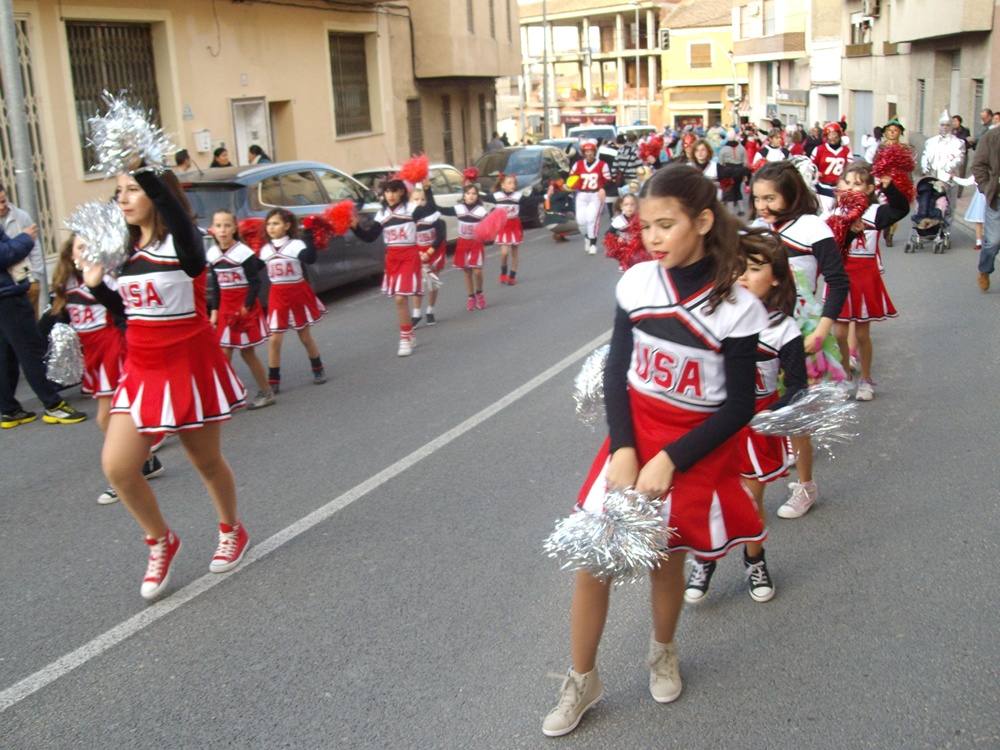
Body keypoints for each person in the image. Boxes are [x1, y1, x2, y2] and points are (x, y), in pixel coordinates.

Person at [541, 164, 772, 737]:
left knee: (667, 559)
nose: (653, 238)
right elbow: (617, 370)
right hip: (635, 434)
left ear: (703, 221)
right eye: (645, 226)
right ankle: (582, 678)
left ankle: (662, 651)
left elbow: (738, 406)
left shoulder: (737, 306)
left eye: (666, 225)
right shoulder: (638, 284)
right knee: (594, 561)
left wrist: (671, 460)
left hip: (691, 446)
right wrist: (624, 447)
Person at [83, 166, 248, 599]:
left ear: (158, 195)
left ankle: (231, 528)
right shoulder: (123, 251)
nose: (122, 198)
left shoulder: (183, 243)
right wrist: (98, 289)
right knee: (118, 467)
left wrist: (150, 175)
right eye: (118, 191)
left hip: (188, 366)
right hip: (142, 370)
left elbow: (186, 240)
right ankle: (160, 540)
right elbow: (128, 315)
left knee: (206, 462)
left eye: (133, 190)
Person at [684, 241, 806, 604]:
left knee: (749, 503)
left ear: (776, 278)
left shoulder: (784, 329)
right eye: (736, 268)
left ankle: (755, 560)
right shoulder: (713, 316)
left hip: (756, 426)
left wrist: (772, 414)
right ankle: (705, 559)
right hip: (715, 424)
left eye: (753, 268)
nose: (743, 277)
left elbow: (797, 386)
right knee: (709, 501)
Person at [750, 161, 849, 518]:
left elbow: (838, 281)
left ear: (790, 195)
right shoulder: (755, 230)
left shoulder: (812, 227)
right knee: (762, 405)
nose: (762, 206)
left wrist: (821, 331)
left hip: (804, 332)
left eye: (770, 198)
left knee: (797, 412)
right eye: (757, 198)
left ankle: (806, 486)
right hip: (762, 332)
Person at [46, 235, 163, 504]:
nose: (85, 251)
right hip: (92, 353)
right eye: (80, 247)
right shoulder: (65, 283)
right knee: (122, 411)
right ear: (70, 254)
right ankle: (147, 460)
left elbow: (123, 313)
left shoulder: (106, 279)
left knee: (106, 417)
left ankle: (125, 472)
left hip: (111, 348)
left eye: (90, 246)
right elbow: (59, 319)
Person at [832, 162, 909, 401]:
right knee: (838, 333)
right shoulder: (833, 213)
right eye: (847, 182)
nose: (851, 188)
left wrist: (890, 188)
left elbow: (901, 209)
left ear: (868, 189)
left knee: (862, 334)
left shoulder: (875, 212)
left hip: (865, 276)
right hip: (841, 277)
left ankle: (865, 379)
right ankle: (845, 375)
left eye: (857, 184)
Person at [0, 221, 86, 429]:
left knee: (5, 355)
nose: (2, 207)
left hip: (6, 294)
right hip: (8, 296)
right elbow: (4, 255)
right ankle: (53, 404)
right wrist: (25, 238)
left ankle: (9, 409)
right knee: (31, 351)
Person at [351, 178, 437, 355]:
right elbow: (369, 237)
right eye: (387, 191)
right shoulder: (382, 214)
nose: (390, 195)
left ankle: (404, 338)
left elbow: (431, 210)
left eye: (394, 191)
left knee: (400, 298)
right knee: (399, 298)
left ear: (402, 192)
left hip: (409, 256)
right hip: (392, 258)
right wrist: (355, 227)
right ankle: (409, 334)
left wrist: (427, 190)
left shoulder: (411, 209)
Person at [206, 210, 274, 409]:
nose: (223, 230)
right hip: (225, 309)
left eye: (227, 225)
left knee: (247, 353)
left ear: (235, 228)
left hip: (243, 308)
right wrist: (214, 311)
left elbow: (255, 282)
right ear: (212, 229)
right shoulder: (212, 254)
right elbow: (217, 285)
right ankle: (227, 397)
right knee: (224, 354)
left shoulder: (243, 253)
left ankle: (266, 392)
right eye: (218, 226)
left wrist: (246, 306)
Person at [258, 208, 327, 385]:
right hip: (277, 295)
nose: (271, 227)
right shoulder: (265, 249)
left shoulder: (295, 245)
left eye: (276, 223)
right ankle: (273, 379)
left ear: (287, 226)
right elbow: (253, 268)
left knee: (304, 336)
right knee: (274, 339)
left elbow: (310, 258)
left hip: (297, 292)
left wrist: (309, 234)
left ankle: (318, 367)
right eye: (268, 224)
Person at [435, 183, 490, 310]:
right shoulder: (459, 208)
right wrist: (429, 198)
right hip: (463, 243)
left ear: (477, 196)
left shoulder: (481, 211)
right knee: (467, 271)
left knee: (477, 271)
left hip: (476, 243)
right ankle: (471, 297)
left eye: (474, 193)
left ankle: (479, 293)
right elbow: (441, 209)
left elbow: (488, 226)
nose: (471, 196)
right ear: (464, 195)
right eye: (468, 193)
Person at [0, 186, 43, 316]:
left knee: (32, 321)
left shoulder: (21, 216)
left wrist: (36, 276)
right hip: (6, 288)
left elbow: (35, 247)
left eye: (3, 201)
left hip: (27, 279)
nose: (1, 206)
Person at [409, 186, 445, 326]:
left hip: (433, 251)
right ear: (410, 201)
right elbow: (409, 238)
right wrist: (419, 253)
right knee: (417, 282)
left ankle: (430, 310)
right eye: (416, 199)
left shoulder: (433, 215)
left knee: (432, 282)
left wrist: (429, 252)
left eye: (423, 199)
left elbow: (440, 235)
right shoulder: (409, 218)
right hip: (418, 251)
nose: (420, 202)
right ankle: (416, 313)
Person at [971, 115, 1000, 291]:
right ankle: (985, 269)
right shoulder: (991, 137)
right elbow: (978, 165)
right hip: (997, 197)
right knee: (994, 241)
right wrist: (986, 186)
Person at [568, 139, 610, 255]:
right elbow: (572, 178)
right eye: (586, 151)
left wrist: (602, 188)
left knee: (592, 219)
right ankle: (587, 236)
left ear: (594, 152)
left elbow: (607, 180)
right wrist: (570, 185)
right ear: (583, 152)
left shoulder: (602, 165)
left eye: (591, 151)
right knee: (581, 221)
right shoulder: (578, 164)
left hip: (595, 194)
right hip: (582, 194)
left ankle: (593, 243)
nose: (589, 153)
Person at [493, 174, 524, 285]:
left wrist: (546, 196)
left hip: (514, 225)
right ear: (503, 185)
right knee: (504, 253)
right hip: (503, 226)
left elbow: (532, 200)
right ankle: (503, 271)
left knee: (514, 252)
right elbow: (482, 197)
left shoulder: (518, 196)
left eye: (514, 183)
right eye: (509, 183)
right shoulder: (497, 196)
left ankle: (512, 275)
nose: (512, 185)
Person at [811, 122, 851, 197]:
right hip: (822, 187)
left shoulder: (846, 151)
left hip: (840, 188)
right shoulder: (819, 149)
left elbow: (850, 169)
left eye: (834, 134)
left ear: (839, 135)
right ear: (826, 136)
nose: (832, 137)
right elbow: (811, 167)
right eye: (830, 135)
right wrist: (815, 173)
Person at [718, 130, 748, 215]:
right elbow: (745, 162)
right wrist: (745, 174)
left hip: (728, 172)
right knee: (738, 190)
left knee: (730, 192)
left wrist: (721, 176)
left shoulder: (723, 149)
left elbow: (721, 163)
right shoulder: (741, 148)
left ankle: (731, 213)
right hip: (740, 171)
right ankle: (741, 210)